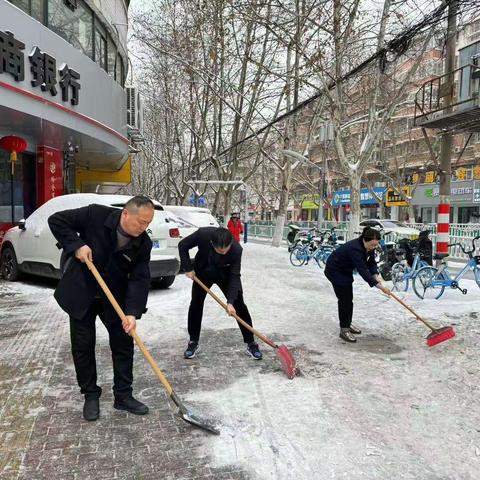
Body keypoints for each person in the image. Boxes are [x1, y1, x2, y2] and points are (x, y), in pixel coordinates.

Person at [48, 196, 155, 421]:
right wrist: (76, 245)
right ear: (126, 214)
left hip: (113, 296)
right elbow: (57, 220)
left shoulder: (142, 243)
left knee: (124, 343)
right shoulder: (95, 215)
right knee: (83, 345)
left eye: (148, 223)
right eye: (141, 222)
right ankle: (91, 395)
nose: (144, 228)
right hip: (82, 291)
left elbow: (139, 278)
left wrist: (132, 313)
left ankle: (123, 396)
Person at [178, 227, 262, 360]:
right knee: (196, 304)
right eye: (219, 250)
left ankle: (251, 343)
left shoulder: (236, 249)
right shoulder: (203, 235)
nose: (223, 253)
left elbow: (235, 275)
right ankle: (193, 341)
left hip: (226, 274)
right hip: (203, 273)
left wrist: (230, 302)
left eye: (225, 250)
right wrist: (187, 268)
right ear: (212, 243)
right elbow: (182, 245)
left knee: (239, 305)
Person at [325, 226, 391, 343]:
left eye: (376, 245)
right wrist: (379, 286)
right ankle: (344, 329)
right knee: (344, 299)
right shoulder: (355, 249)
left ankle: (347, 324)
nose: (374, 247)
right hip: (335, 270)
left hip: (345, 270)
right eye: (372, 245)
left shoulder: (368, 246)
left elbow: (371, 263)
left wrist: (375, 274)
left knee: (348, 299)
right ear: (365, 240)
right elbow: (363, 270)